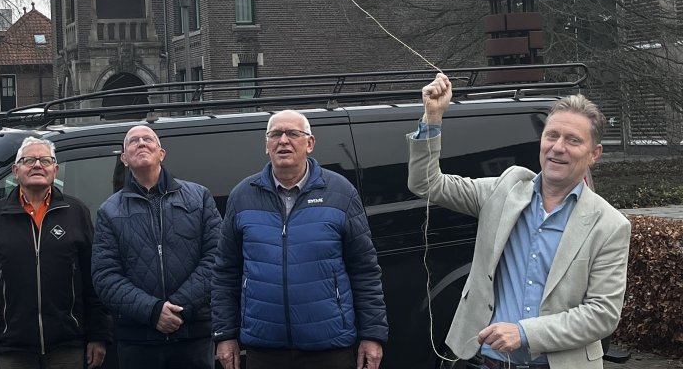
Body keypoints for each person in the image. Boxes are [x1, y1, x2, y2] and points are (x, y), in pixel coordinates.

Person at [410, 73, 631, 369]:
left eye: (573, 140)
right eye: (552, 135)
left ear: (594, 154)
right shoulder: (504, 191)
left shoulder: (610, 225)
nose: (558, 147)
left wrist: (525, 333)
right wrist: (432, 118)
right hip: (488, 362)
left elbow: (602, 314)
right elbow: (427, 184)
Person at [211, 110, 388, 369]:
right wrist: (225, 335)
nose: (283, 140)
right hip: (264, 348)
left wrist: (372, 335)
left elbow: (365, 270)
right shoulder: (241, 196)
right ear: (266, 145)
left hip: (330, 346)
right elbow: (225, 272)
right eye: (275, 134)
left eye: (293, 133)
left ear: (310, 143)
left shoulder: (340, 192)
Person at [0, 136, 112, 369]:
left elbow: (93, 279)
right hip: (10, 349)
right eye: (29, 160)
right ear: (15, 170)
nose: (38, 165)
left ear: (55, 170)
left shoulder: (76, 212)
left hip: (67, 347)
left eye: (45, 161)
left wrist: (98, 335)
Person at [92, 124, 222, 369]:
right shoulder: (109, 211)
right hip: (139, 341)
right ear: (124, 159)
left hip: (192, 335)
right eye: (133, 141)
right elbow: (105, 277)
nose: (141, 143)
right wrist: (153, 311)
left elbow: (217, 258)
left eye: (148, 139)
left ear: (161, 152)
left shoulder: (199, 198)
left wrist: (179, 309)